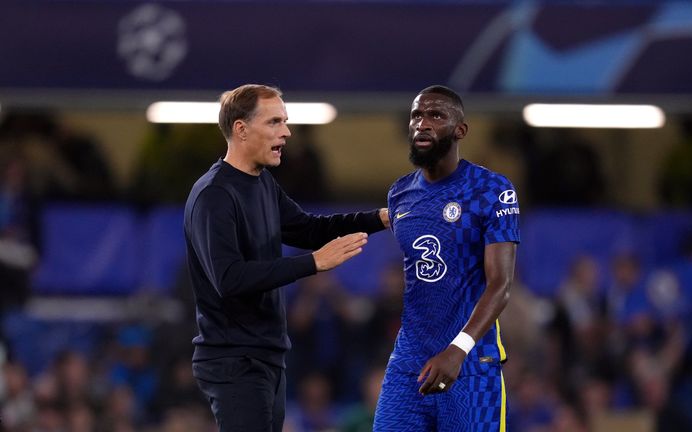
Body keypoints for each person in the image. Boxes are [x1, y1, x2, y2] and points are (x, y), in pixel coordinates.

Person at [183, 84, 389, 432]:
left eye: (285, 121)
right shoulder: (214, 195)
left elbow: (308, 229)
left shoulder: (262, 182)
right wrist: (312, 264)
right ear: (241, 129)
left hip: (268, 354)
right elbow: (229, 279)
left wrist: (381, 218)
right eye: (275, 122)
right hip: (234, 358)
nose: (287, 132)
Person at [373, 85, 520, 431]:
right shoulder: (400, 193)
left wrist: (458, 349)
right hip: (409, 363)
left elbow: (501, 285)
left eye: (436, 115)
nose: (422, 123)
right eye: (416, 115)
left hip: (470, 363)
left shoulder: (492, 190)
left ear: (460, 130)